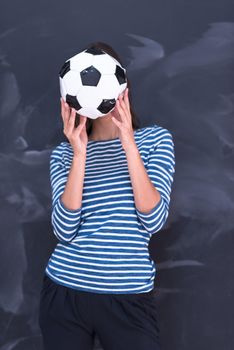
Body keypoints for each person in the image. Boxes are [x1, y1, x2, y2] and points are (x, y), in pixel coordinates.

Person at [38, 41, 175, 350]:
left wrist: (128, 142)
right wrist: (80, 154)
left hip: (128, 297)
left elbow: (153, 219)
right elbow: (64, 229)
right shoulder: (64, 155)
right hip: (66, 292)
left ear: (121, 85)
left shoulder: (155, 141)